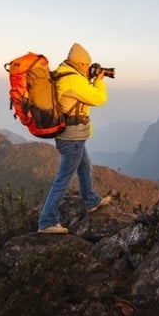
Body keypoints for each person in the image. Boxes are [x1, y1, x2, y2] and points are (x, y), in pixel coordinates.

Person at [38, 43, 111, 234]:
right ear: (80, 64)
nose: (88, 69)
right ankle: (47, 221)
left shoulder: (64, 73)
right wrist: (100, 81)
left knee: (85, 166)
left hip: (71, 135)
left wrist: (89, 78)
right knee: (63, 179)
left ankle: (91, 200)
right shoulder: (72, 80)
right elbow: (99, 99)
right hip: (72, 137)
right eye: (86, 66)